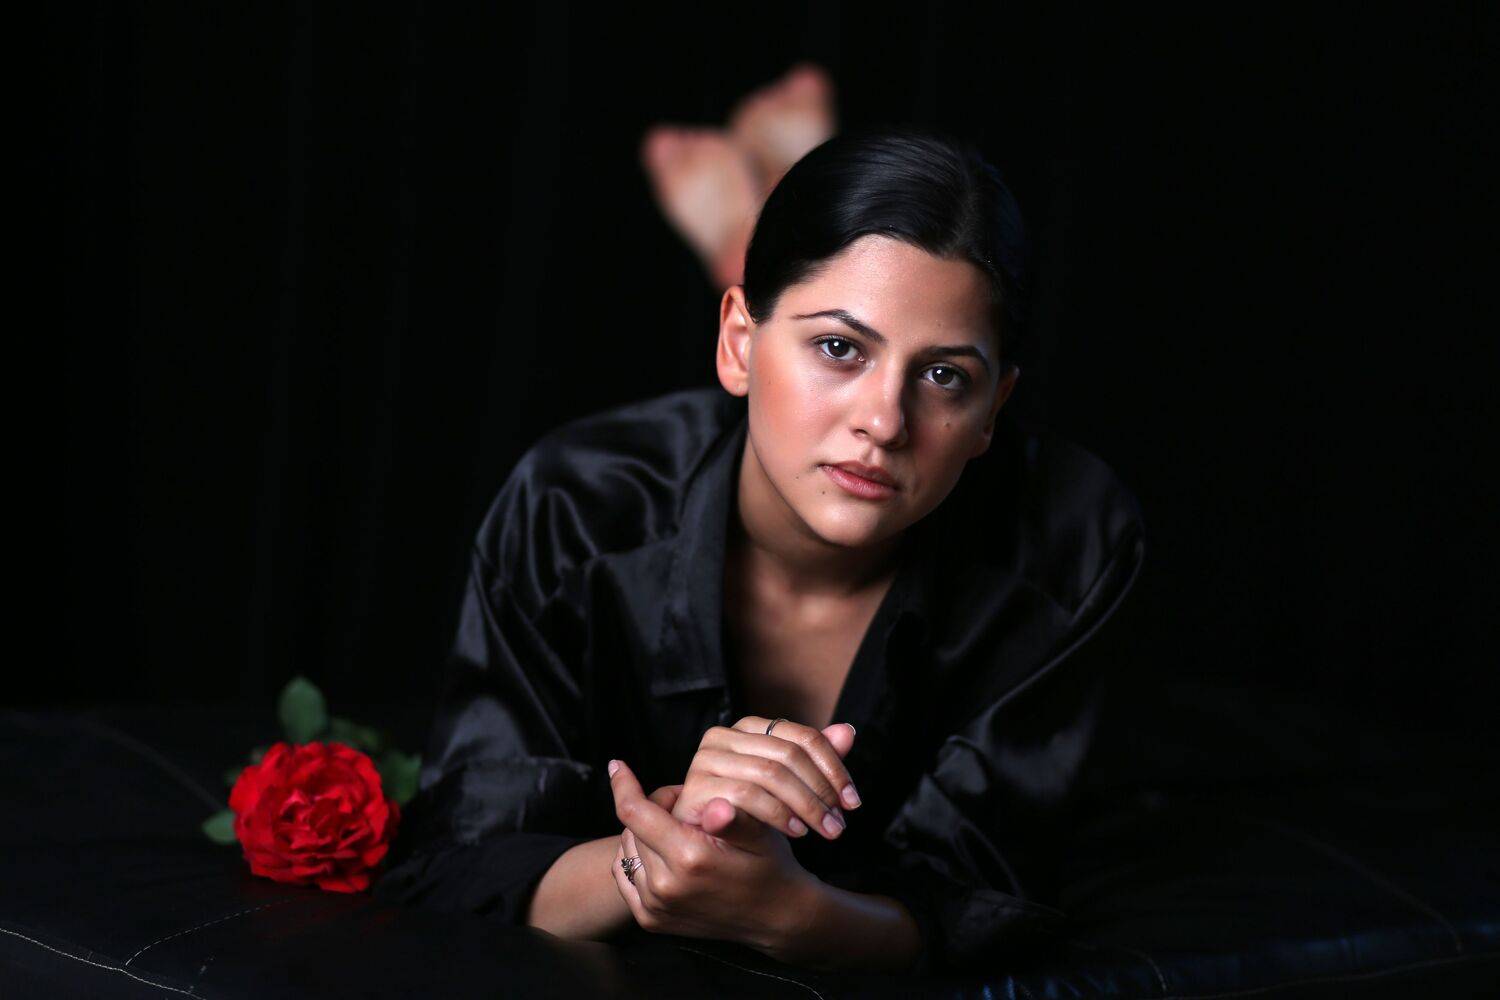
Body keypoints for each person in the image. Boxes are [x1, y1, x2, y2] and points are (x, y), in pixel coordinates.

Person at [372, 124, 1147, 978]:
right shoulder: (578, 508)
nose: (884, 423)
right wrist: (663, 855)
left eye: (943, 376)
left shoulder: (1067, 543)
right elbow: (461, 863)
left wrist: (794, 917)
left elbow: (988, 900)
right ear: (739, 343)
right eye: (839, 348)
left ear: (994, 407)